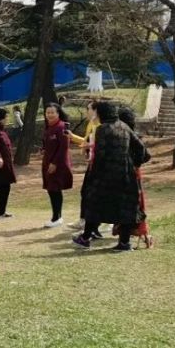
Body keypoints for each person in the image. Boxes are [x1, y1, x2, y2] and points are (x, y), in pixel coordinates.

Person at [73, 102, 151, 251]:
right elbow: (141, 148)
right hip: (127, 174)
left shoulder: (103, 129)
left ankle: (85, 238)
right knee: (126, 207)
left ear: (102, 114)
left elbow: (100, 154)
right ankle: (124, 243)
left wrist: (94, 175)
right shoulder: (124, 127)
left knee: (93, 204)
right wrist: (136, 164)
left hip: (106, 175)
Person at [112, 107, 153, 247]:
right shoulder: (126, 135)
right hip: (129, 174)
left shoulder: (126, 136)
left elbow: (146, 155)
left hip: (129, 175)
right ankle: (125, 238)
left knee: (130, 205)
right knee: (130, 205)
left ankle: (125, 240)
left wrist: (135, 164)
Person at [40, 102, 73, 228]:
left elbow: (64, 148)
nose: (50, 115)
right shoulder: (48, 127)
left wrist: (54, 163)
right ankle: (56, 216)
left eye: (52, 112)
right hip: (47, 162)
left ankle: (56, 217)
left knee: (55, 189)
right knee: (51, 189)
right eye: (48, 112)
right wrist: (43, 149)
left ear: (58, 113)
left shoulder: (62, 127)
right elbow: (47, 143)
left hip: (58, 164)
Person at [68, 101, 99, 232]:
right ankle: (84, 220)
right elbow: (86, 141)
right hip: (91, 162)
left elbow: (95, 143)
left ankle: (93, 223)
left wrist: (88, 146)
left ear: (96, 111)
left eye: (88, 109)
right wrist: (72, 137)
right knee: (85, 192)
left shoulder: (101, 126)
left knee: (91, 193)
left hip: (98, 164)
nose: (87, 112)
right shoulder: (91, 124)